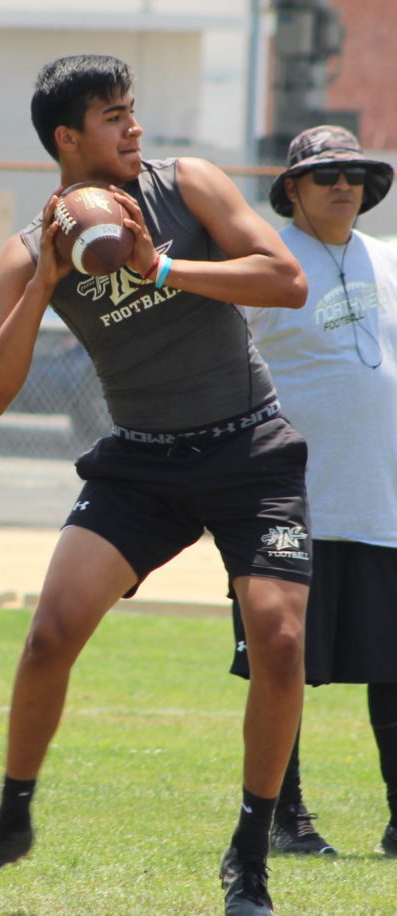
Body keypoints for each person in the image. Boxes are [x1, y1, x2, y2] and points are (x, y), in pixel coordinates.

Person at [0, 54, 311, 915]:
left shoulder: (189, 184)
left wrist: (160, 269)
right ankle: (9, 823)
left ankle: (250, 856)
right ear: (68, 139)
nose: (134, 127)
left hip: (248, 446)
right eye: (114, 116)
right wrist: (44, 283)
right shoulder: (25, 252)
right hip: (143, 460)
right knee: (49, 635)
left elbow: (286, 281)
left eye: (133, 109)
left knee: (280, 639)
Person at [230, 124, 397, 859]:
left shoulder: (388, 259)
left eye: (354, 175)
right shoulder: (266, 263)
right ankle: (284, 817)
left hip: (382, 503)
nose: (343, 185)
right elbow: (221, 365)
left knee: (394, 668)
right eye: (326, 175)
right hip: (290, 503)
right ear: (292, 188)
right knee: (283, 663)